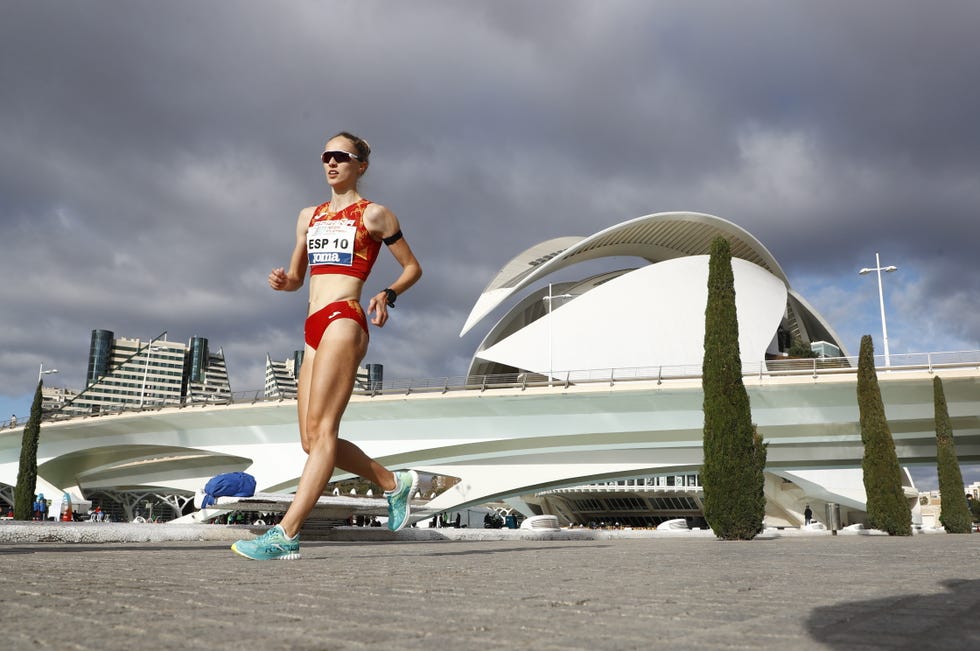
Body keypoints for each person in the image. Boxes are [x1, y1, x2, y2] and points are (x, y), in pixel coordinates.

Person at [232, 131, 422, 561]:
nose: (331, 163)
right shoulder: (308, 217)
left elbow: (412, 267)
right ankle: (393, 482)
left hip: (345, 317)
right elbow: (300, 277)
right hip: (313, 325)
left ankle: (286, 534)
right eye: (326, 157)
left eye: (341, 156)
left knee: (324, 434)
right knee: (310, 440)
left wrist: (387, 294)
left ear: (361, 166)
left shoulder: (375, 216)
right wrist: (285, 283)